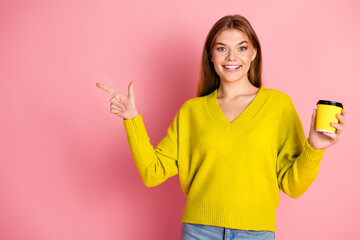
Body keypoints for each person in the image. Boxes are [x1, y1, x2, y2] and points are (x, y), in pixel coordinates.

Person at [96, 14, 346, 240]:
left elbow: (293, 186)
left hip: (255, 234)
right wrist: (131, 119)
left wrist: (314, 147)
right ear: (211, 56)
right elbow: (153, 172)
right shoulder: (192, 111)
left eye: (241, 48)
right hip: (198, 231)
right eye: (222, 48)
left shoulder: (279, 106)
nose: (231, 57)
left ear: (254, 53)